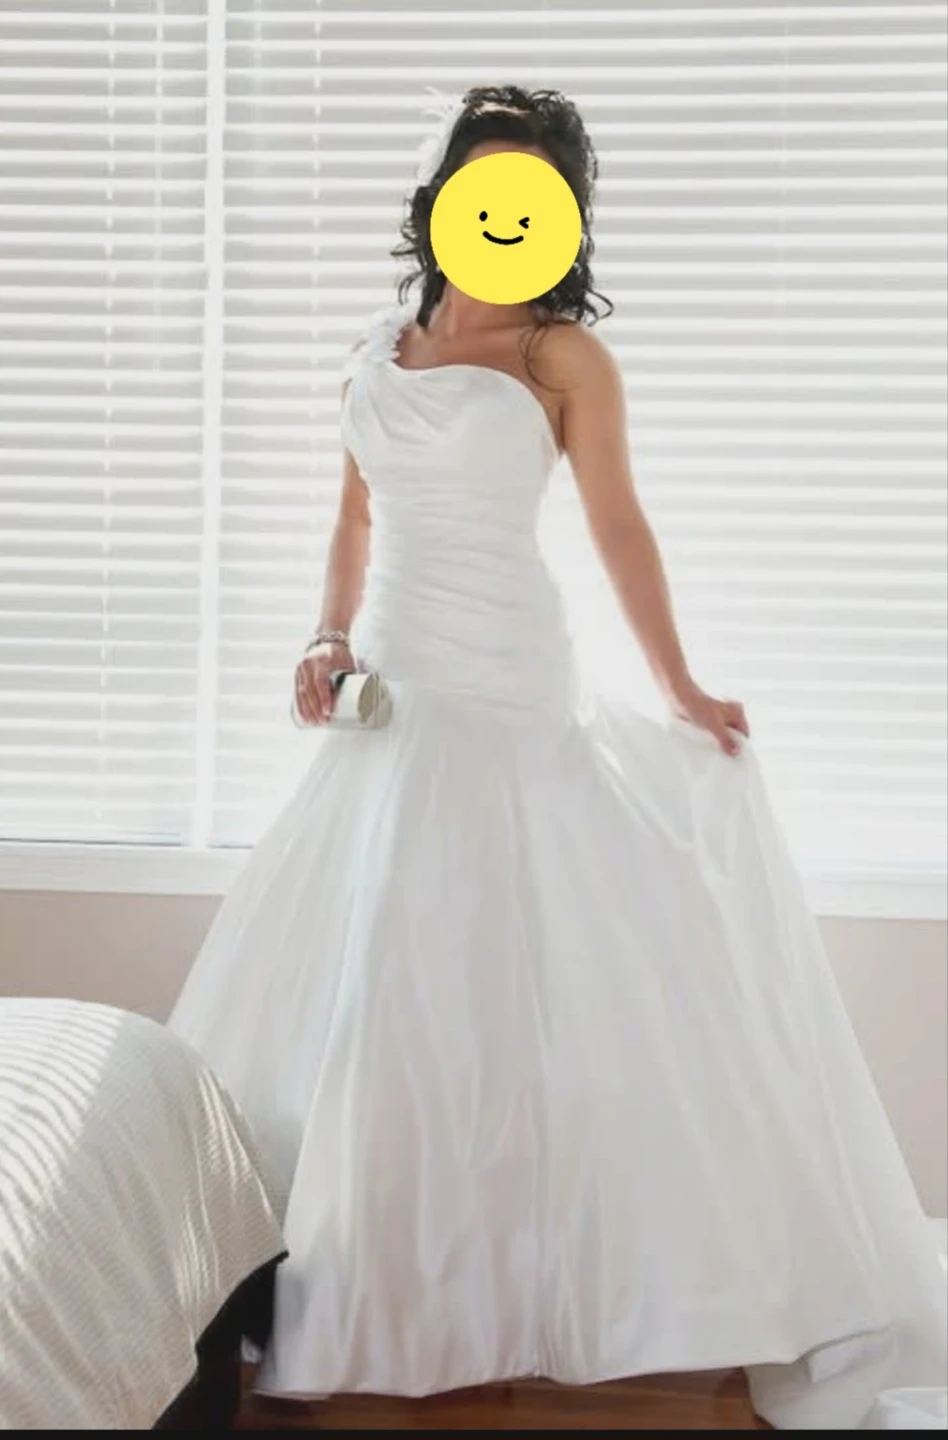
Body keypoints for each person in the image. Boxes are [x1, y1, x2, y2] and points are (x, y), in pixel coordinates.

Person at [168, 86, 947, 1429]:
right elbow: (353, 521)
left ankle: (542, 1309)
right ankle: (381, 1303)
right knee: (376, 997)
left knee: (508, 985)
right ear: (444, 198)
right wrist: (324, 635)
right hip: (393, 689)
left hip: (509, 682)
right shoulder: (378, 349)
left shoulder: (563, 357)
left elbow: (618, 527)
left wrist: (681, 684)